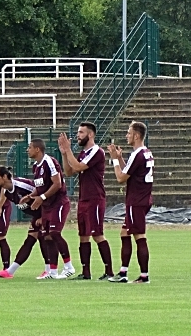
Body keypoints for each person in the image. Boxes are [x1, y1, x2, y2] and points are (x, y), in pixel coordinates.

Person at [58, 122, 114, 280]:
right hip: (84, 198)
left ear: (91, 135)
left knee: (97, 234)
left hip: (95, 198)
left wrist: (68, 150)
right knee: (83, 235)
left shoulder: (97, 151)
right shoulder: (83, 153)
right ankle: (86, 272)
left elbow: (79, 166)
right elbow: (69, 171)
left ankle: (109, 271)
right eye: (78, 132)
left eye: (81, 132)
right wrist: (64, 153)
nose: (78, 135)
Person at [107, 121, 154, 284]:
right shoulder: (146, 152)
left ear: (136, 135)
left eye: (129, 133)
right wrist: (120, 158)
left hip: (136, 201)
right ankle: (123, 272)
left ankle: (144, 276)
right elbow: (129, 171)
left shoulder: (138, 154)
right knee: (124, 233)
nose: (126, 135)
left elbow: (121, 178)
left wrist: (114, 160)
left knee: (139, 236)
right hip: (142, 199)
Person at [26, 139, 74, 280]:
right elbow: (40, 186)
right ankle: (52, 272)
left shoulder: (49, 162)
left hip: (58, 203)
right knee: (46, 236)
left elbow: (57, 183)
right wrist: (31, 196)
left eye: (29, 147)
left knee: (55, 233)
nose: (27, 150)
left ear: (37, 149)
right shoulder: (36, 166)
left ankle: (69, 267)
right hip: (47, 206)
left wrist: (41, 197)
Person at [0, 167, 44, 279]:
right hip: (37, 215)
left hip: (48, 210)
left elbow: (43, 193)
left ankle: (55, 269)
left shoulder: (22, 185)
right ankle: (9, 271)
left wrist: (43, 216)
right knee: (30, 240)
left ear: (5, 177)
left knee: (46, 238)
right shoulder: (7, 191)